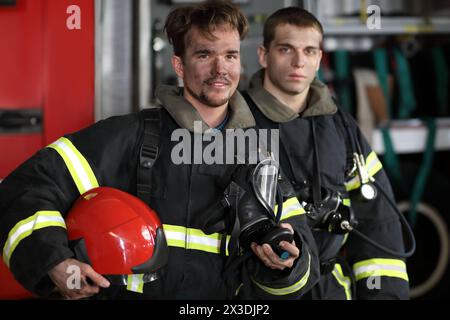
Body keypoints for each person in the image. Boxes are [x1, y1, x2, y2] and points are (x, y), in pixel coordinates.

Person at [0, 1, 319, 300]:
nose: (220, 68)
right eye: (204, 54)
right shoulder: (132, 136)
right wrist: (56, 262)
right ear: (179, 65)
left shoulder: (257, 156)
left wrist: (285, 263)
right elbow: (25, 190)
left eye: (230, 55)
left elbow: (303, 272)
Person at [242, 7, 410, 299]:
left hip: (331, 288)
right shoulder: (236, 122)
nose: (298, 62)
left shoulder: (340, 125)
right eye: (286, 49)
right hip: (262, 290)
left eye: (309, 51)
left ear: (319, 58)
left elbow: (378, 222)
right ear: (263, 55)